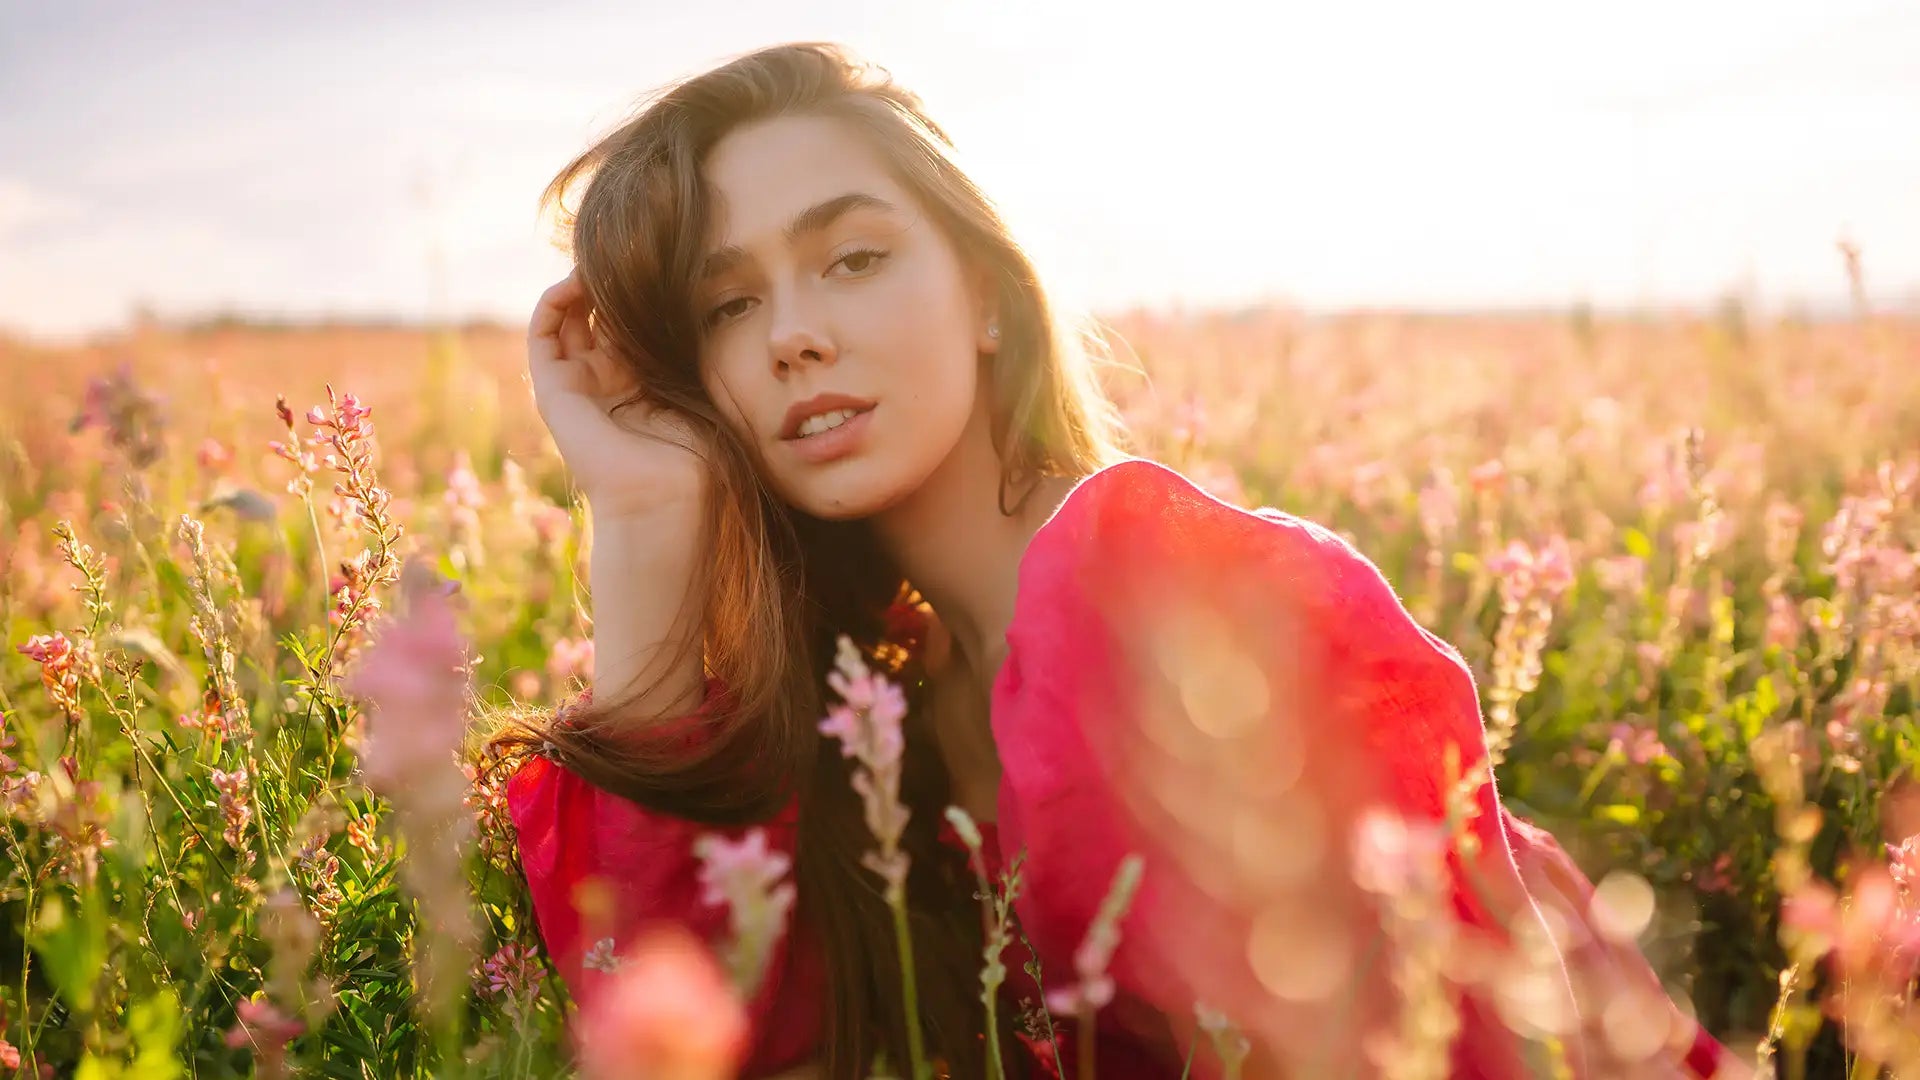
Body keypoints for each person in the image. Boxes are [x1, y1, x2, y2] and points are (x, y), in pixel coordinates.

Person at [496, 41, 1740, 1080]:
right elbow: (709, 1028)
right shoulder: (877, 685)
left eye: (854, 259)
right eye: (726, 307)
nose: (797, 337)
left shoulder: (1170, 597)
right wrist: (651, 512)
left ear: (988, 295)